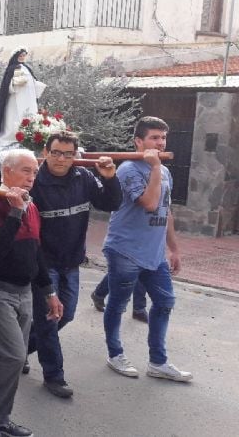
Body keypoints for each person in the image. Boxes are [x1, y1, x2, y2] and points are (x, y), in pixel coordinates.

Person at [0, 149, 61, 437]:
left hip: (24, 291)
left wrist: (49, 291)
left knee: (15, 357)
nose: (32, 177)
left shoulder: (30, 205)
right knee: (12, 355)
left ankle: (1, 417)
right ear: (6, 172)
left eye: (34, 171)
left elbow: (35, 251)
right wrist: (15, 211)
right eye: (26, 170)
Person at [26, 132, 122, 398]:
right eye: (56, 153)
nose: (61, 159)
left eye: (68, 154)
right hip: (44, 264)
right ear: (46, 153)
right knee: (49, 319)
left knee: (65, 315)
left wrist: (110, 178)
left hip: (71, 261)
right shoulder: (35, 184)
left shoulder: (84, 178)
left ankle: (19, 348)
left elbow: (111, 203)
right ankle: (54, 376)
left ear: (75, 156)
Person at [101, 116, 192, 382]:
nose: (160, 143)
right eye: (154, 138)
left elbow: (165, 210)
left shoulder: (164, 172)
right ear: (138, 142)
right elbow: (150, 203)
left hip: (154, 253)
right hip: (125, 250)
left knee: (165, 302)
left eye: (163, 138)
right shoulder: (128, 169)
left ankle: (158, 362)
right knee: (118, 305)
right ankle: (115, 354)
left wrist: (174, 249)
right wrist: (155, 167)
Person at [0, 48, 45, 147]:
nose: (22, 58)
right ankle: (13, 137)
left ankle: (28, 137)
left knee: (29, 117)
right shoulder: (12, 68)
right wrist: (14, 84)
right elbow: (6, 86)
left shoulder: (26, 68)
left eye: (23, 56)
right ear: (16, 56)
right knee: (15, 118)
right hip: (15, 99)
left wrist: (36, 85)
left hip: (28, 99)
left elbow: (32, 81)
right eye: (20, 56)